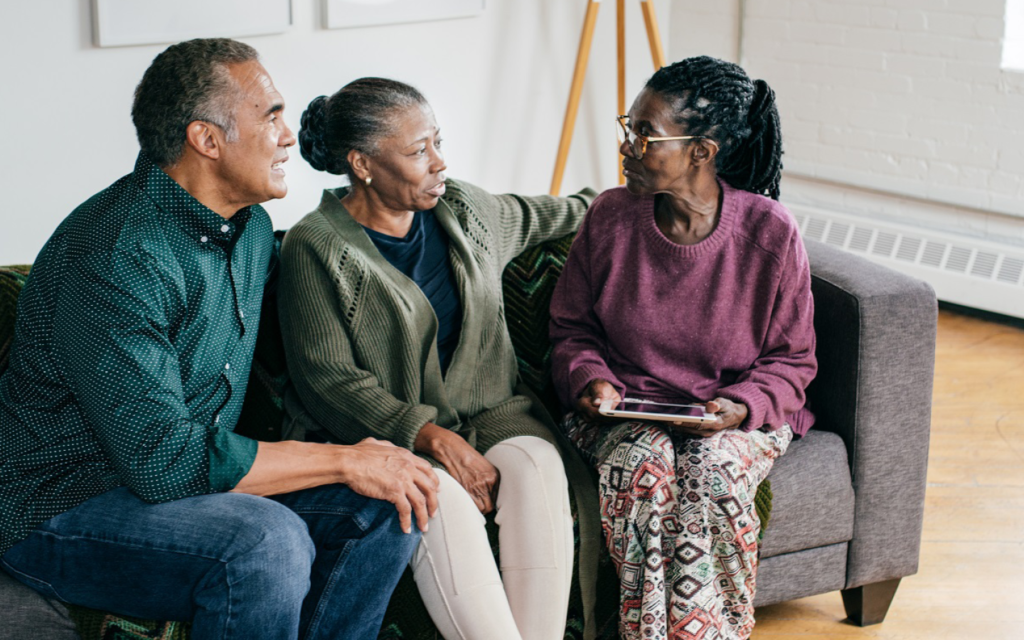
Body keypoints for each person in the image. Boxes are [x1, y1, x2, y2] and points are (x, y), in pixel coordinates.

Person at [0, 39, 438, 640]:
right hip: (61, 507)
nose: (290, 136)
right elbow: (164, 462)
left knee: (388, 503)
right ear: (206, 141)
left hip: (184, 491)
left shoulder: (250, 227)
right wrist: (344, 458)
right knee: (264, 540)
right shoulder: (115, 256)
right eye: (272, 115)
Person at [278, 78, 596, 640]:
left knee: (538, 466)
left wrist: (647, 195)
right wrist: (428, 435)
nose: (439, 162)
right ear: (364, 163)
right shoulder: (315, 245)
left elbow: (565, 213)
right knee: (435, 496)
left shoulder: (466, 209)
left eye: (437, 142)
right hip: (389, 438)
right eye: (418, 151)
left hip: (496, 413)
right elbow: (328, 380)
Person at [549, 56, 818, 640]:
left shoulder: (770, 233)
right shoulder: (610, 218)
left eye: (646, 133)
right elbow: (571, 330)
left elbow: (793, 360)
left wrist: (741, 406)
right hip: (625, 413)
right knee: (643, 468)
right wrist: (590, 379)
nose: (628, 144)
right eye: (630, 126)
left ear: (701, 151)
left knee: (714, 473)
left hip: (728, 417)